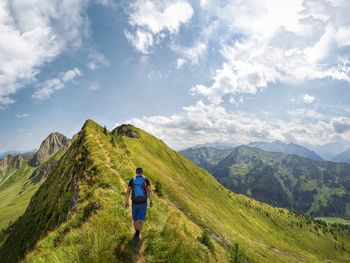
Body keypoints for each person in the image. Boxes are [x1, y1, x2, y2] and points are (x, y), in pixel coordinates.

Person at [125, 167, 153, 240]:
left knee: (135, 219)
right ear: (142, 172)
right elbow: (149, 191)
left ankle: (136, 232)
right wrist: (151, 200)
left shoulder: (132, 180)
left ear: (136, 172)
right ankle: (137, 232)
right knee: (140, 219)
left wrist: (126, 201)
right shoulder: (146, 180)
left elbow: (128, 191)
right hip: (143, 202)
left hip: (134, 202)